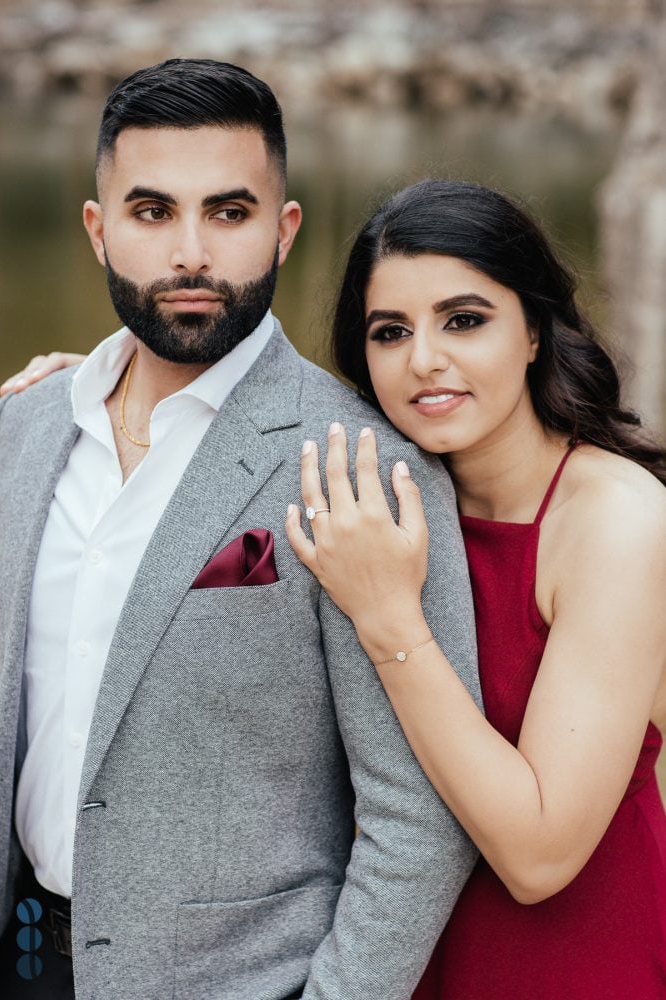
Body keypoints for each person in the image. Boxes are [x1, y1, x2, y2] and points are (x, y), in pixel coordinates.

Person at [0, 65, 482, 1000]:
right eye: (150, 212)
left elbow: (418, 816)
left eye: (228, 212)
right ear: (98, 231)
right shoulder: (20, 432)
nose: (190, 253)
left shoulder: (365, 467)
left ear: (283, 228)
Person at [281, 179, 666, 998]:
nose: (424, 359)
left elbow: (538, 854)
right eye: (391, 332)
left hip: (571, 966)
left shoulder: (613, 518)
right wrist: (118, 395)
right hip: (394, 959)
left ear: (532, 329)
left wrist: (390, 620)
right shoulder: (377, 500)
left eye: (463, 320)